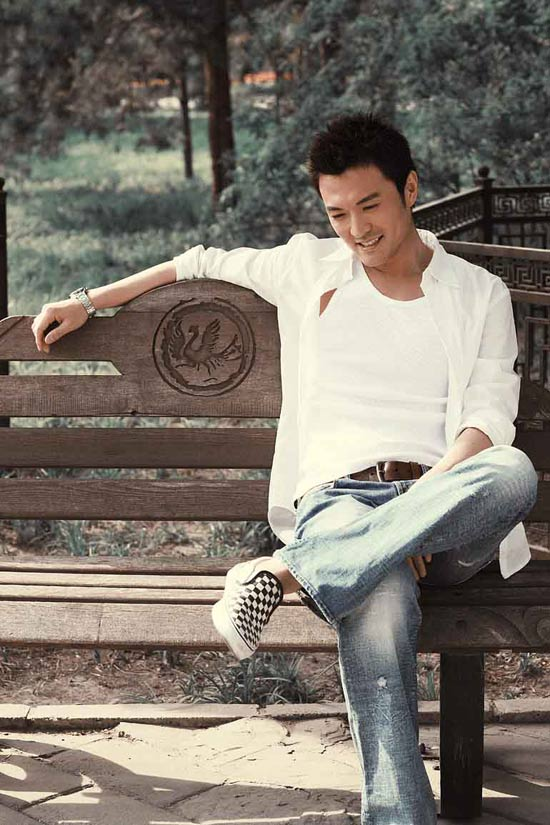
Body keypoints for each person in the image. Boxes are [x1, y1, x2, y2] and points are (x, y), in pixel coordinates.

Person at [32, 111, 538, 824]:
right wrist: (87, 301)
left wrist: (413, 516)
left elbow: (485, 423)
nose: (357, 229)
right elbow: (197, 261)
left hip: (447, 507)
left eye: (370, 205)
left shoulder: (478, 292)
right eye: (338, 214)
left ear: (410, 189)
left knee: (513, 471)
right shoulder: (309, 268)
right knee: (380, 599)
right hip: (340, 501)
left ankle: (287, 571)